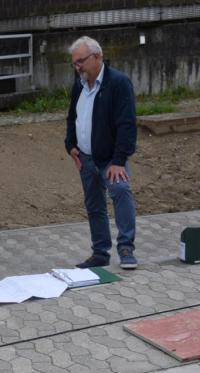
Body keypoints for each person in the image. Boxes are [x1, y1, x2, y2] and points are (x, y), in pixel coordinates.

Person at [64, 36, 139, 270]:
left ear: (97, 57)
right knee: (94, 205)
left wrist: (119, 161)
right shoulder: (79, 84)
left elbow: (127, 125)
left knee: (121, 191)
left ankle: (126, 248)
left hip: (110, 160)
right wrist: (70, 145)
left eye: (81, 62)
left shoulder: (118, 83)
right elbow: (72, 118)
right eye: (74, 63)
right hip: (85, 158)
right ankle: (100, 252)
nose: (77, 67)